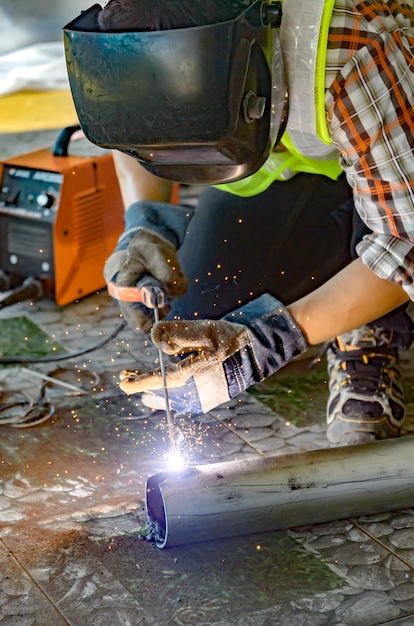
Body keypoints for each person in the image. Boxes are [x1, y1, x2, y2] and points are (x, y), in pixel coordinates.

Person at [68, 0, 414, 445]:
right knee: (198, 316)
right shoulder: (127, 18)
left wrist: (271, 339)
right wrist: (145, 222)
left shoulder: (352, 45)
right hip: (306, 163)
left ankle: (369, 332)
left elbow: (405, 240)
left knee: (376, 255)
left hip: (397, 145)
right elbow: (132, 118)